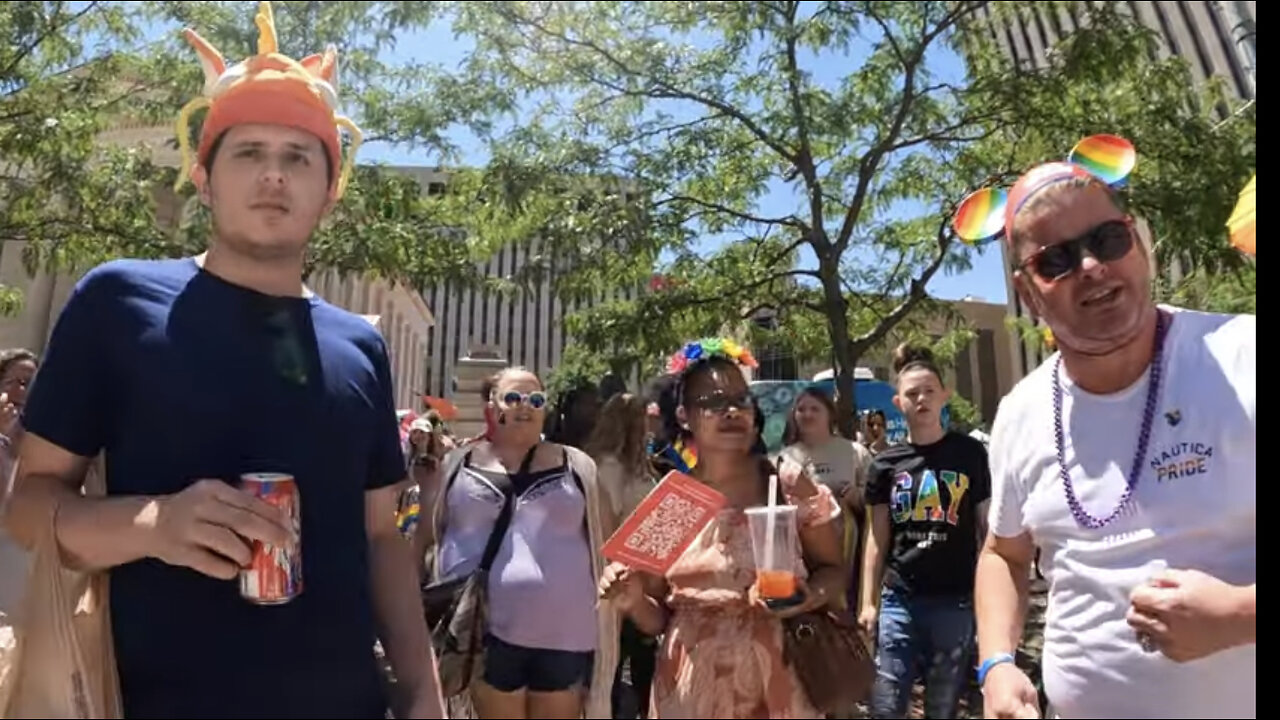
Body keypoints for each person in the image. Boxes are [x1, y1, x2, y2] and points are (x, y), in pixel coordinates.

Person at [2, 4, 444, 717]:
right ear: (203, 179)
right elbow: (29, 508)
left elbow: (381, 533)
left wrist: (422, 687)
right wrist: (155, 523)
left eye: (299, 157)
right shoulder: (118, 300)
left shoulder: (359, 344)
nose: (274, 174)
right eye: (249, 152)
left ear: (330, 192)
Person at [968, 145, 1256, 718]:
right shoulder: (1020, 411)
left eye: (1107, 240)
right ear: (1027, 293)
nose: (1092, 267)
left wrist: (1240, 616)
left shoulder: (1242, 356)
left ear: (1138, 243)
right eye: (1057, 259)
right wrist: (997, 663)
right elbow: (1004, 553)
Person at [599, 338, 845, 719]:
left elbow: (834, 572)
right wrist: (631, 600)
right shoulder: (674, 501)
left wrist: (806, 597)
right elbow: (658, 617)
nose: (731, 410)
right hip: (690, 690)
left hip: (779, 681)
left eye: (740, 399)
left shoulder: (785, 483)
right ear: (685, 416)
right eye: (713, 402)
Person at [426, 366, 618, 719]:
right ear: (492, 405)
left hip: (567, 634)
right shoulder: (456, 465)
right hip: (480, 635)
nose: (524, 406)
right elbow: (423, 540)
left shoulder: (579, 467)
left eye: (535, 399)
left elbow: (608, 544)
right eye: (513, 398)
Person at [859, 344, 991, 719]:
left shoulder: (970, 454)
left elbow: (986, 530)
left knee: (943, 706)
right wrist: (869, 602)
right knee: (886, 704)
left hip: (955, 601)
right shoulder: (884, 464)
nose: (921, 399)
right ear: (898, 402)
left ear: (944, 396)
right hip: (900, 599)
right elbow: (876, 536)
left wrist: (988, 600)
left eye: (929, 391)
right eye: (912, 394)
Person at [584, 392, 660, 719]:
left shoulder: (637, 464)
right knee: (610, 676)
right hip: (616, 584)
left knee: (643, 672)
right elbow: (606, 525)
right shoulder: (608, 467)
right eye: (645, 418)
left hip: (644, 585)